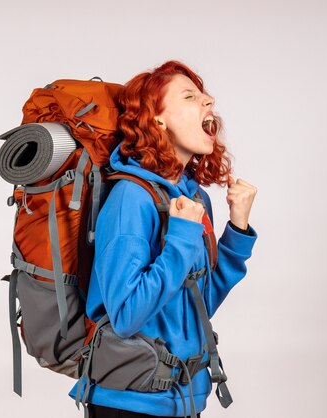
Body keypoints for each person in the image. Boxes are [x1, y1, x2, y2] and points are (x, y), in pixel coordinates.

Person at [68, 60, 258, 417]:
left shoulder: (191, 197)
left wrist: (238, 231)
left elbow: (198, 304)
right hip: (129, 404)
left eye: (205, 97)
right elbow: (125, 316)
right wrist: (183, 237)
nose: (209, 102)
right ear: (157, 120)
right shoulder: (131, 197)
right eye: (190, 97)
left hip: (182, 399)